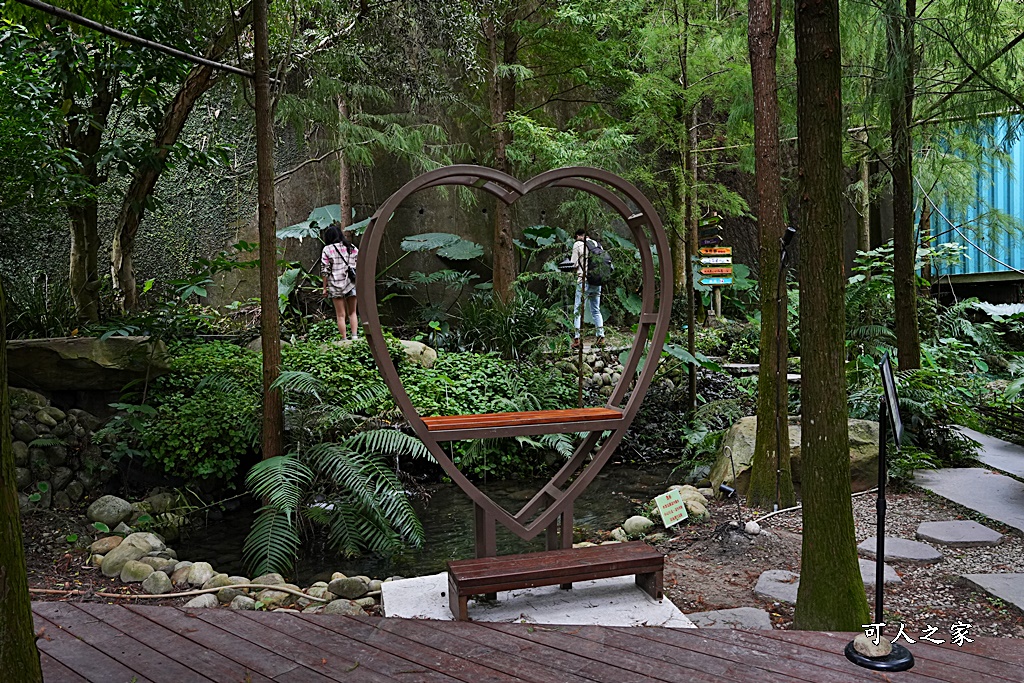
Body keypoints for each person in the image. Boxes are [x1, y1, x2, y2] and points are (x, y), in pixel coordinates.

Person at [321, 223, 359, 339]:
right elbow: (358, 263)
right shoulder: (351, 247)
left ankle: (344, 339)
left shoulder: (327, 249)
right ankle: (355, 337)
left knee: (340, 315)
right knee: (352, 312)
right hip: (350, 283)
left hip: (335, 284)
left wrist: (324, 287)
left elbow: (325, 270)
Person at [569, 228, 605, 349]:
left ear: (577, 236)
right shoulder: (597, 244)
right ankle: (601, 337)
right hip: (597, 281)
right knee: (596, 310)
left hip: (583, 281)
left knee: (578, 310)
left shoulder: (577, 244)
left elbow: (573, 263)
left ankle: (577, 339)